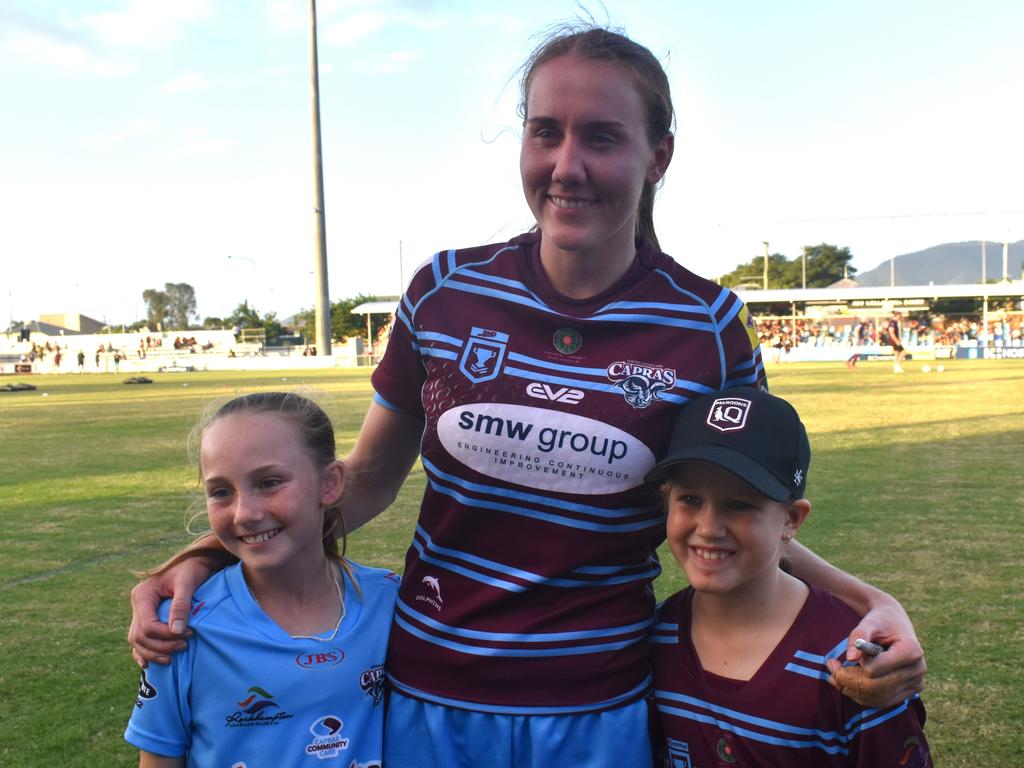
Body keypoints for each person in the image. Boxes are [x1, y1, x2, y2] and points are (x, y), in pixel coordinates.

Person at [128, 24, 925, 768]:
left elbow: (744, 508)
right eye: (546, 131)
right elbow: (364, 482)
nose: (565, 164)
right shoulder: (443, 292)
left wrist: (869, 599)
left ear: (659, 156)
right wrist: (200, 559)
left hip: (601, 704)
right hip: (430, 693)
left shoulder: (710, 327)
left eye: (602, 136)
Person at [647, 387, 932, 766]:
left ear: (791, 520)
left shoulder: (854, 667)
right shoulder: (655, 636)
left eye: (738, 504)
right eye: (691, 499)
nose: (709, 527)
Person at [124, 392, 398, 767]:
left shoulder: (392, 604)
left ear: (330, 483)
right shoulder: (182, 628)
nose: (244, 514)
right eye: (221, 492)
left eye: (269, 482)